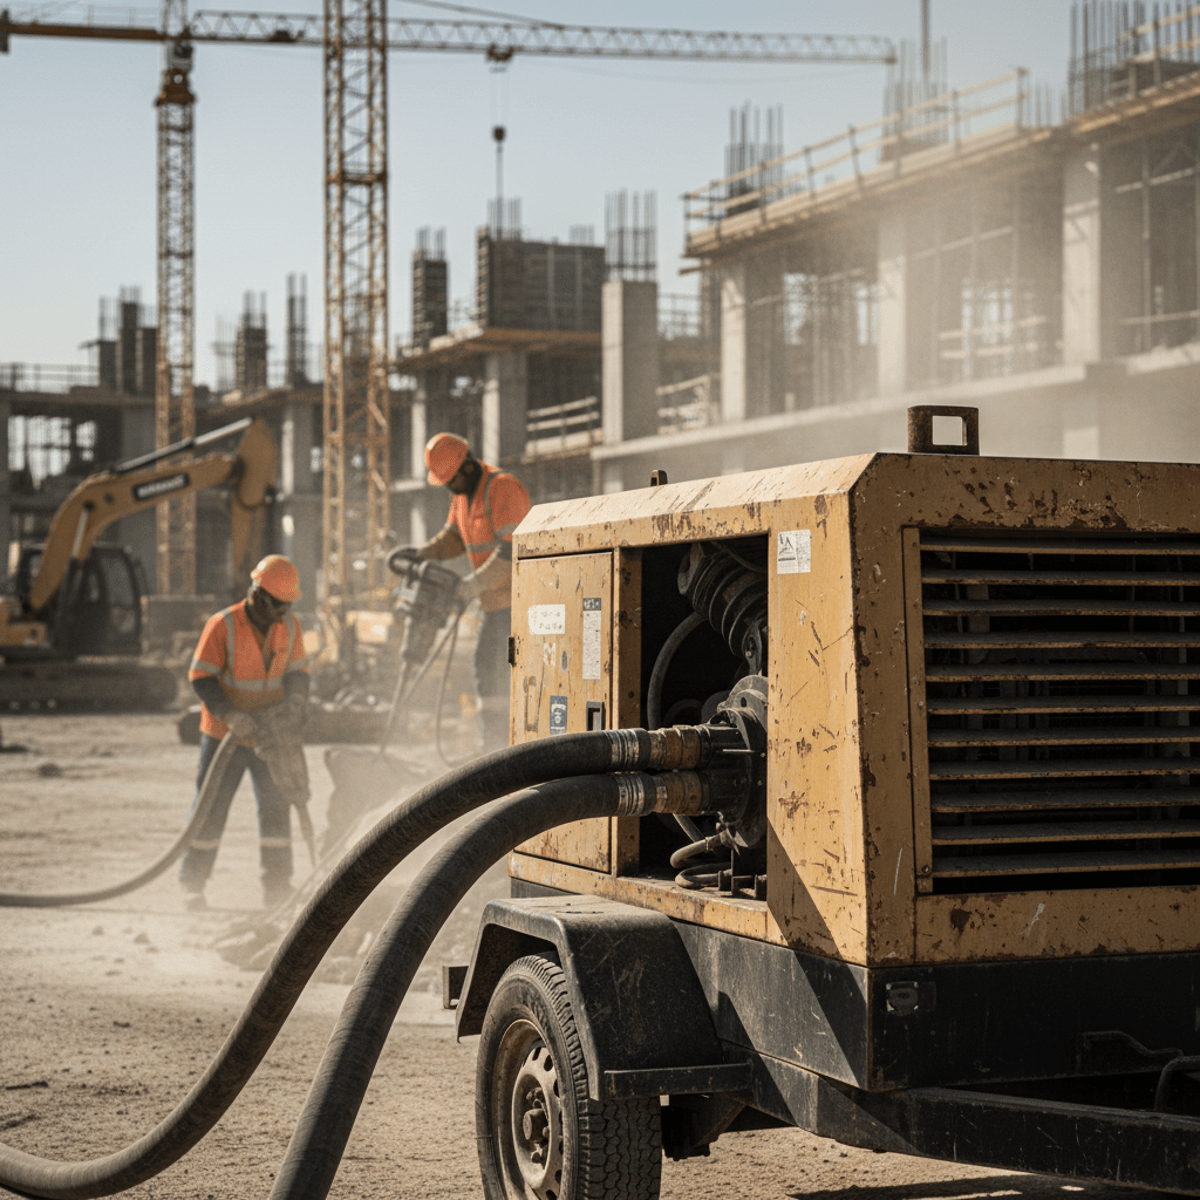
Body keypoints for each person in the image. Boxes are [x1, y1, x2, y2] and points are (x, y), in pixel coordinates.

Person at [180, 554, 310, 910]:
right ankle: (193, 884)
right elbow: (201, 677)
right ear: (258, 594)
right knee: (210, 809)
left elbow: (298, 672)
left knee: (276, 809)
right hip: (225, 736)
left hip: (271, 738)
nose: (284, 612)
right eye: (279, 605)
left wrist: (297, 702)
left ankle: (277, 889)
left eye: (288, 605)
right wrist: (230, 715)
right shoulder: (222, 625)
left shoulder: (292, 626)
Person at [388, 432, 531, 751]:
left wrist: (469, 587)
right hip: (493, 605)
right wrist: (423, 554)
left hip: (520, 607)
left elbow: (512, 553)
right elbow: (453, 537)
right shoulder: (463, 496)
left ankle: (506, 747)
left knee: (509, 677)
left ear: (466, 468)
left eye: (450, 481)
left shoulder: (503, 487)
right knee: (485, 673)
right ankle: (492, 745)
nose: (448, 488)